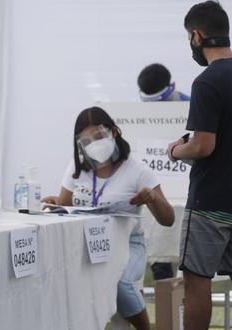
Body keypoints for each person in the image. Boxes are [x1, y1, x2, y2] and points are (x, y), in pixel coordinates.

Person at [166, 2, 232, 329]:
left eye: (189, 37)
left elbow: (203, 145)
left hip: (210, 202)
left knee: (197, 282)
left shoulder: (207, 81)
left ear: (196, 35)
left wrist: (175, 150)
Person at [43, 106, 174, 330]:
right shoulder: (77, 169)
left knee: (121, 282)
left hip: (127, 243)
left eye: (99, 136)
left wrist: (151, 197)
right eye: (86, 142)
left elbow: (168, 219)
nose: (94, 144)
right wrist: (55, 202)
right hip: (86, 244)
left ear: (113, 132)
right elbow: (65, 206)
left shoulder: (137, 170)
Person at [138, 63, 190, 281]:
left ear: (172, 87)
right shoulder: (136, 116)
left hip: (185, 196)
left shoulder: (192, 107)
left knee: (189, 260)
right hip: (157, 194)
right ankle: (167, 309)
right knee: (160, 261)